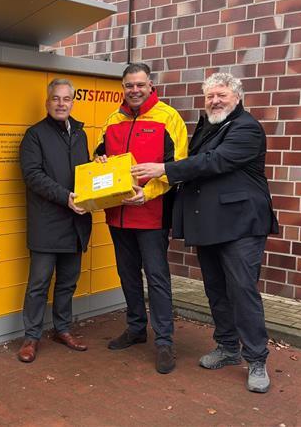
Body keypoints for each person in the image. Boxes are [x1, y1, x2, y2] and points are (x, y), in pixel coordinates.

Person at [132, 72, 279, 392]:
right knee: (216, 289)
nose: (215, 100)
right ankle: (227, 348)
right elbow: (196, 164)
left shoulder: (246, 128)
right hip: (211, 224)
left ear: (237, 97)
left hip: (241, 226)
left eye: (221, 95)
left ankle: (256, 358)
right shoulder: (209, 126)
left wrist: (164, 170)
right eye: (210, 95)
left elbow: (215, 162)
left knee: (242, 291)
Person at [93, 63, 188, 374]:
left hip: (152, 214)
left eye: (139, 85)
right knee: (127, 275)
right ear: (123, 87)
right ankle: (135, 329)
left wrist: (148, 194)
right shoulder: (112, 119)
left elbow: (178, 167)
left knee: (157, 278)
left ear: (150, 85)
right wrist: (100, 159)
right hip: (117, 214)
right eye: (129, 85)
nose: (134, 90)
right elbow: (99, 155)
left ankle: (164, 341)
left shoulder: (168, 117)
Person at [17, 78, 92, 363]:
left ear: (73, 101)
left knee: (67, 283)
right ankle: (31, 337)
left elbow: (83, 172)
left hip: (76, 223)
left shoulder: (80, 134)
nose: (61, 104)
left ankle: (62, 329)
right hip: (47, 223)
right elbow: (33, 175)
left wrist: (100, 169)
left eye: (67, 99)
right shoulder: (34, 135)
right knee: (39, 284)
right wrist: (66, 197)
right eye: (56, 99)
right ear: (47, 102)